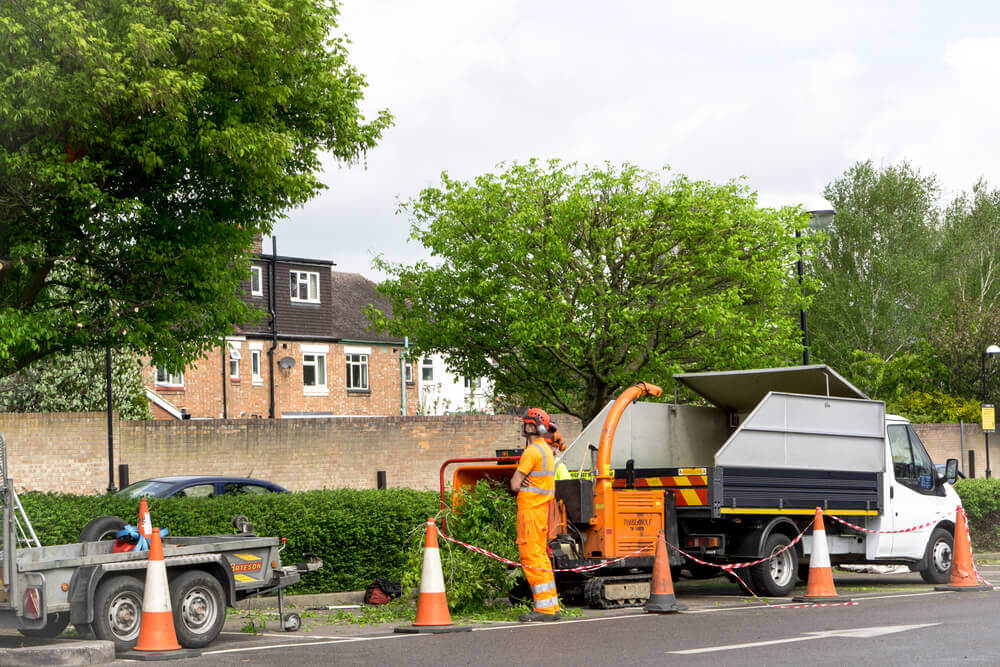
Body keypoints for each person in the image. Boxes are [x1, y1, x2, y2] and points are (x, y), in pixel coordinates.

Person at [509, 407, 561, 622]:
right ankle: (551, 605)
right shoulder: (547, 451)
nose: (523, 426)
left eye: (526, 423)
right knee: (541, 557)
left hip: (529, 511)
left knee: (531, 557)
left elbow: (514, 484)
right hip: (541, 512)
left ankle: (543, 609)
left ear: (531, 426)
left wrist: (521, 482)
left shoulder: (531, 452)